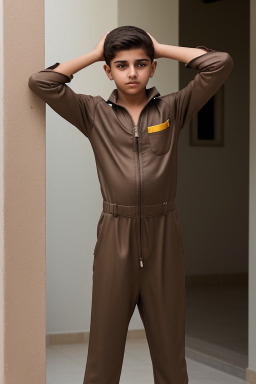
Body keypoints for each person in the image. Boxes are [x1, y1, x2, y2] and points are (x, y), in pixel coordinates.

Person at [28, 25, 234, 384]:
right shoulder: (92, 112)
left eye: (141, 63)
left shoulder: (173, 107)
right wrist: (97, 53)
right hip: (115, 238)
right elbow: (42, 83)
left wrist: (159, 47)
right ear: (109, 71)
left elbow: (220, 64)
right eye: (121, 65)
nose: (132, 72)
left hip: (164, 236)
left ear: (152, 68)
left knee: (171, 358)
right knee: (103, 358)